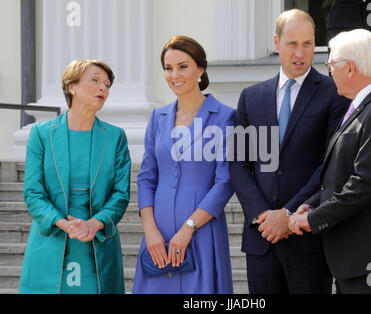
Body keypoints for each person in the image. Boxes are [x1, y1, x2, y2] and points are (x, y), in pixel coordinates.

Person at [289, 29, 371, 294]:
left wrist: (315, 219)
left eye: (330, 65)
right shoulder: (367, 105)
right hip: (356, 258)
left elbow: (367, 183)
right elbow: (342, 175)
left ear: (349, 68)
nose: (329, 72)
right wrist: (310, 205)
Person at [229, 9, 350, 294]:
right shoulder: (251, 97)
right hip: (261, 238)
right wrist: (262, 215)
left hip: (307, 238)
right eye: (292, 43)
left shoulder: (335, 93)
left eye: (307, 44)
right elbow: (239, 163)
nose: (300, 52)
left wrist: (287, 213)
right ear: (276, 43)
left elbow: (329, 164)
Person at [132, 36, 234, 294]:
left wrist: (189, 228)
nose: (174, 75)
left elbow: (226, 182)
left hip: (202, 232)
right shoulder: (158, 117)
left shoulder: (226, 117)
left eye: (183, 66)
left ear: (200, 69)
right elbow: (146, 178)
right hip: (158, 234)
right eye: (168, 68)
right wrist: (150, 231)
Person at [20, 59, 131, 294]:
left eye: (107, 84)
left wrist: (94, 224)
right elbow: (33, 191)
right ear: (72, 86)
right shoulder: (41, 134)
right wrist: (64, 224)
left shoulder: (115, 137)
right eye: (95, 80)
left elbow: (121, 194)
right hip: (51, 240)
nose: (103, 88)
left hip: (98, 243)